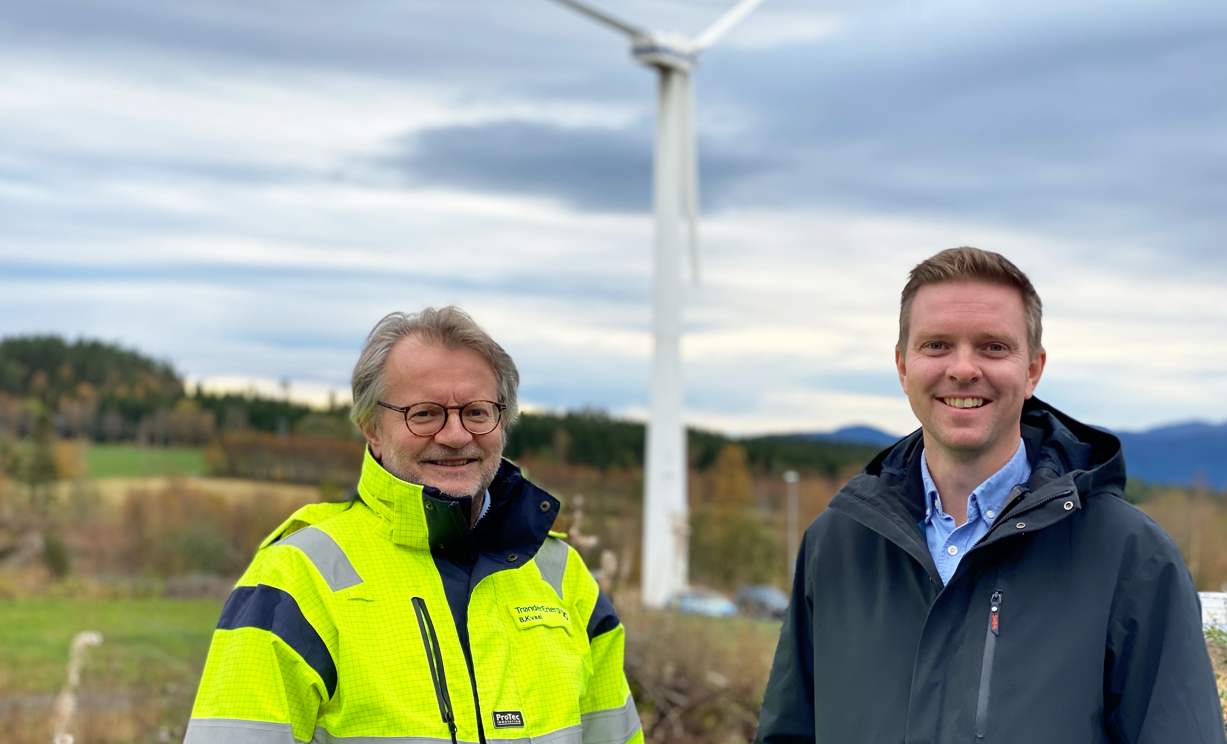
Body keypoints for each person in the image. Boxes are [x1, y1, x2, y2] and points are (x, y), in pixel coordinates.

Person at [756, 247, 1225, 743]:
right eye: (936, 345)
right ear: (902, 366)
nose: (962, 368)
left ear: (1033, 371)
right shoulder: (837, 545)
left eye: (993, 347)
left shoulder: (1132, 558)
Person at [186, 307, 643, 744]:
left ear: (503, 421)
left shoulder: (566, 580)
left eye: (478, 411)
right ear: (370, 427)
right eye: (424, 413)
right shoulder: (297, 580)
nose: (456, 435)